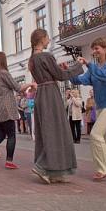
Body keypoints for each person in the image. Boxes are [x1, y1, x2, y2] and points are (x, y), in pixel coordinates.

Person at [28, 29, 84, 184]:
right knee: (56, 131)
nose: (48, 41)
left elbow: (54, 73)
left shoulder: (33, 59)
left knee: (45, 132)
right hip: (50, 95)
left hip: (41, 94)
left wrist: (61, 68)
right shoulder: (46, 56)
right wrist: (76, 65)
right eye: (47, 38)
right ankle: (43, 166)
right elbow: (60, 76)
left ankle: (54, 172)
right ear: (42, 39)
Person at [71, 37, 106, 180]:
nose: (94, 51)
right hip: (101, 106)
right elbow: (83, 80)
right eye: (93, 49)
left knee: (96, 134)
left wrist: (89, 64)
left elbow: (105, 76)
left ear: (105, 48)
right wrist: (70, 73)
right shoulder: (95, 67)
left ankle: (104, 169)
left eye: (97, 48)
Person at [0, 52, 36, 169]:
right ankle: (9, 161)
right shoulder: (4, 73)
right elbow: (17, 87)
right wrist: (32, 84)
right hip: (5, 108)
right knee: (11, 135)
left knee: (0, 134)